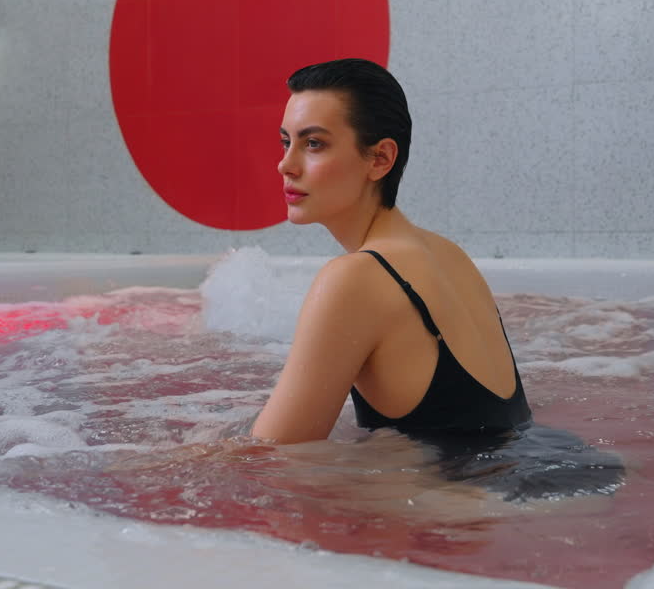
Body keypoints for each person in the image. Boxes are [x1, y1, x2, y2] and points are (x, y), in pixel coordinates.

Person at [250, 58, 622, 501]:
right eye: (285, 142)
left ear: (381, 158)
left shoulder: (355, 278)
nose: (285, 166)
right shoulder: (447, 254)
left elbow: (272, 459)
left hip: (476, 514)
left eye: (314, 144)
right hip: (569, 479)